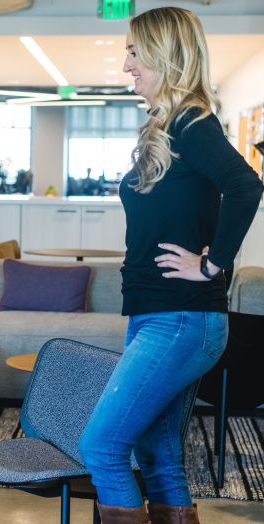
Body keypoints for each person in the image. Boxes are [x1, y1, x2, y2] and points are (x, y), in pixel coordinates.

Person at [78, 7, 263, 524]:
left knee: (102, 446)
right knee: (158, 459)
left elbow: (247, 185)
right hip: (158, 314)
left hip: (181, 318)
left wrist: (212, 265)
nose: (126, 65)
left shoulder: (191, 120)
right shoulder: (169, 126)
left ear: (164, 54)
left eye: (135, 52)